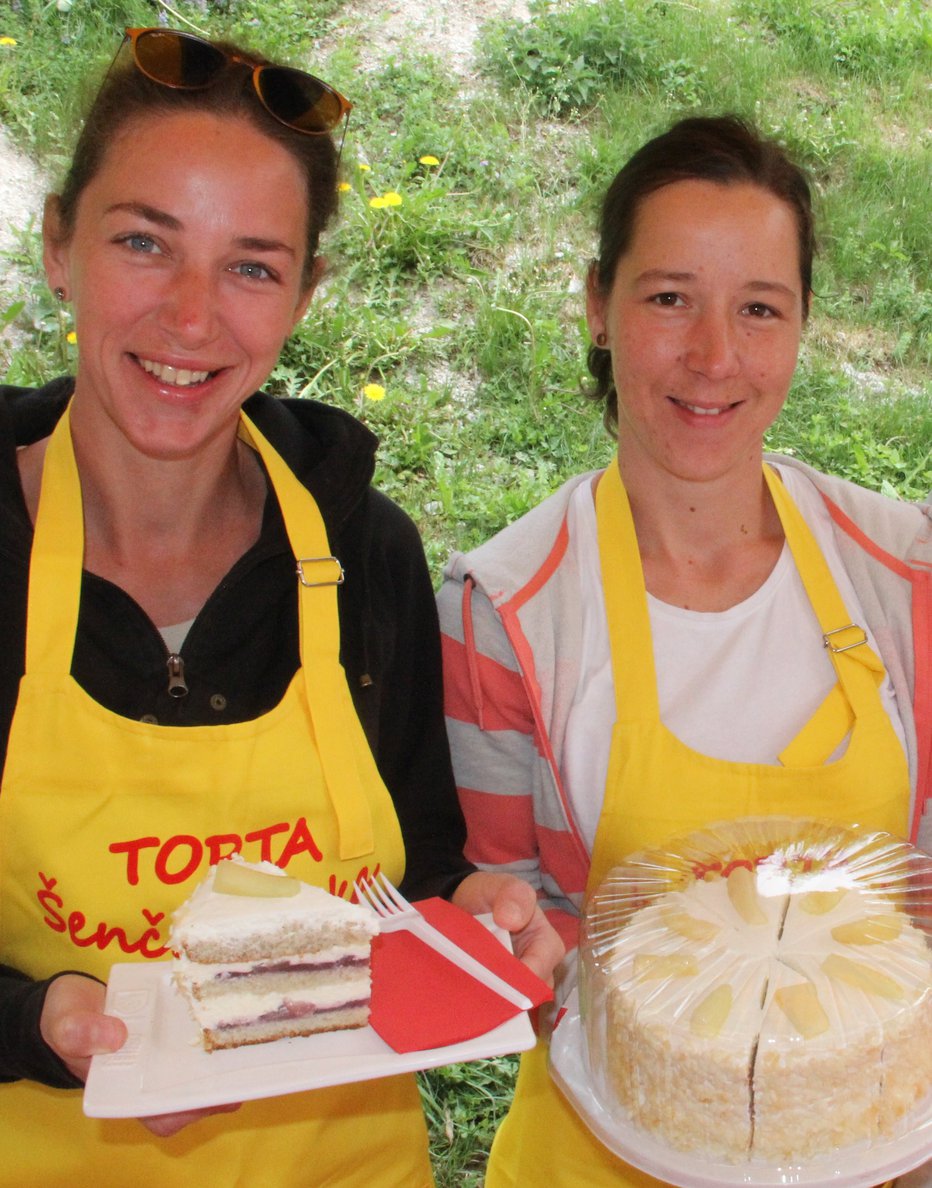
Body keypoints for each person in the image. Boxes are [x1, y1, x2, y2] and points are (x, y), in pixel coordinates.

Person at [0, 26, 561, 1186]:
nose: (193, 318)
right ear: (59, 244)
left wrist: (474, 907)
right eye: (145, 243)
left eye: (252, 265)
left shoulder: (365, 553)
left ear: (307, 292)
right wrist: (32, 1021)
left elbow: (409, 873)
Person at [437, 114, 932, 1186]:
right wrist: (506, 936)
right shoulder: (503, 612)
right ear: (595, 306)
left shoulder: (906, 580)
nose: (712, 357)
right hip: (598, 1153)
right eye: (667, 298)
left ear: (801, 326)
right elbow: (522, 915)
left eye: (758, 309)